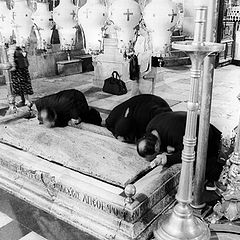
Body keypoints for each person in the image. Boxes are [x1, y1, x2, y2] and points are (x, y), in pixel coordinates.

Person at [137, 111, 224, 190]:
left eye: (152, 157)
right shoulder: (150, 128)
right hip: (185, 125)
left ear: (156, 147)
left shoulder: (174, 133)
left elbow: (189, 153)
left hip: (207, 135)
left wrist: (168, 159)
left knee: (204, 167)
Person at [105, 94, 172, 143]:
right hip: (142, 103)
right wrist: (117, 135)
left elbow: (166, 121)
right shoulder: (111, 119)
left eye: (126, 138)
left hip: (156, 104)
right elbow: (108, 126)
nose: (121, 140)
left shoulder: (147, 121)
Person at [35, 89, 102, 128]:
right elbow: (37, 103)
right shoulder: (42, 103)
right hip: (65, 97)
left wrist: (79, 119)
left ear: (52, 121)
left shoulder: (71, 110)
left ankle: (96, 116)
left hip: (77, 98)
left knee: (84, 116)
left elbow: (76, 119)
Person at [8, 40, 34, 107]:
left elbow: (25, 54)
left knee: (24, 83)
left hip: (22, 68)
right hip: (16, 69)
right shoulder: (11, 49)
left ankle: (27, 100)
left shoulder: (21, 47)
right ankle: (23, 100)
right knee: (17, 85)